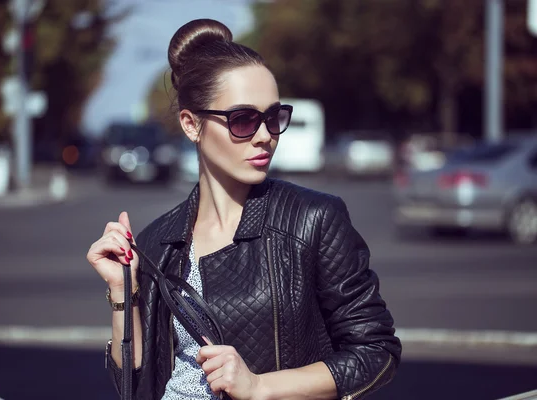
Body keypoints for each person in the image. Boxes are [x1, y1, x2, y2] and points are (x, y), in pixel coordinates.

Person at [86, 18, 401, 400]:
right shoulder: (158, 244)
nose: (265, 135)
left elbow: (376, 352)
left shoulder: (313, 220)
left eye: (272, 117)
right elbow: (134, 388)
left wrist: (260, 386)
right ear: (191, 124)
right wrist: (124, 290)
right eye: (243, 120)